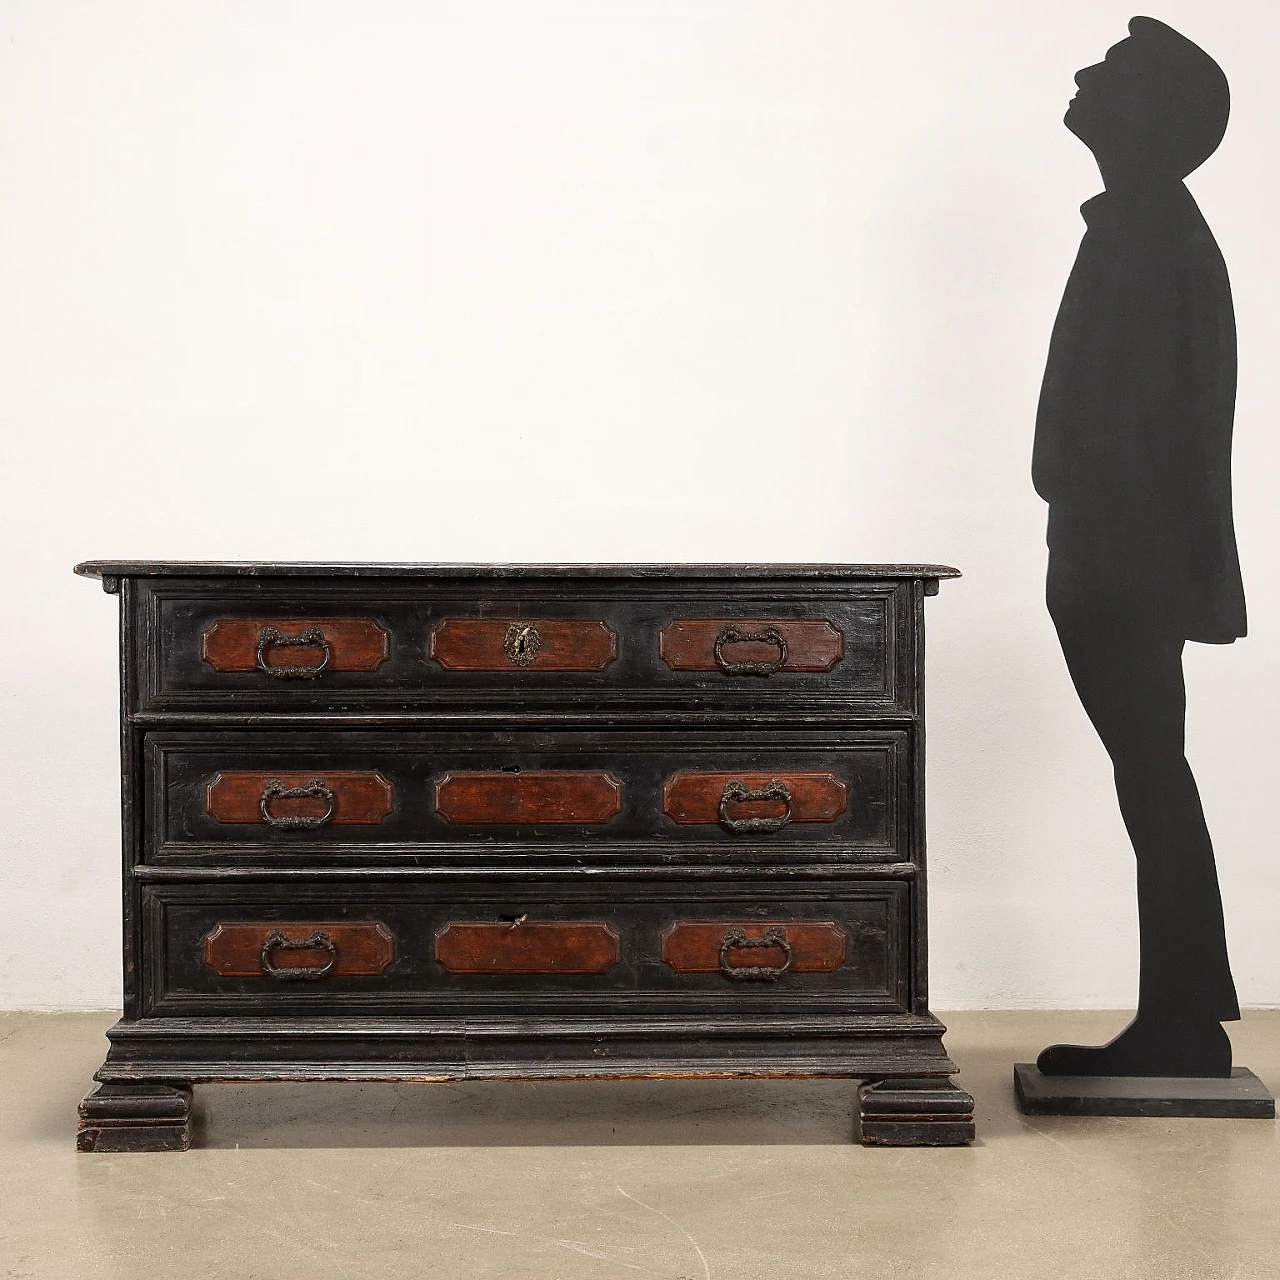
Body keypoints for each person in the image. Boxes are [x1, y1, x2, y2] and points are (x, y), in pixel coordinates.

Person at [1032, 16, 1244, 1077]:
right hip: (1117, 548)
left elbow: (1158, 423)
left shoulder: (1146, 234)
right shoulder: (1142, 226)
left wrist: (1103, 550)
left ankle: (1181, 1016)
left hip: (1123, 554)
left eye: (1110, 71)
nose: (1081, 74)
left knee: (1149, 770)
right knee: (1149, 770)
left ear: (1151, 114)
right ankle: (1182, 1009)